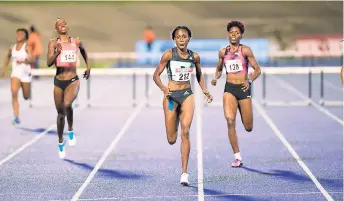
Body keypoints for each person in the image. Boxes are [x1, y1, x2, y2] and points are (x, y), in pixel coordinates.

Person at [153, 25, 213, 186]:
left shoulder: (194, 57)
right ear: (174, 39)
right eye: (178, 37)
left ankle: (184, 173)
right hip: (171, 98)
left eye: (184, 36)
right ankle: (175, 120)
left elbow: (199, 74)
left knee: (185, 131)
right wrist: (164, 88)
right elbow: (156, 75)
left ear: (188, 39)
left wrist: (205, 90)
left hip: (187, 95)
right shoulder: (168, 55)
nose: (181, 39)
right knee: (172, 139)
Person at [211, 20, 261, 168]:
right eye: (231, 32)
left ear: (241, 36)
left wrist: (250, 80)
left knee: (248, 127)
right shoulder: (223, 52)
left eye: (237, 33)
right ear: (228, 35)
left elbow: (257, 69)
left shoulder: (245, 51)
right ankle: (237, 157)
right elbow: (219, 69)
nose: (234, 35)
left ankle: (245, 113)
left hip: (244, 89)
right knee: (230, 120)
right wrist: (215, 77)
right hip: (230, 89)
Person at [47, 18, 90, 159]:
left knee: (67, 104)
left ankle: (70, 129)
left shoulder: (76, 41)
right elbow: (48, 62)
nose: (63, 25)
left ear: (67, 26)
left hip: (73, 80)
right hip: (58, 81)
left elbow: (83, 51)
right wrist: (57, 53)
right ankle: (60, 142)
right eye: (59, 24)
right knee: (60, 114)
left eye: (64, 23)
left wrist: (88, 66)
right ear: (56, 29)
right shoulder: (53, 43)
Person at [1, 28, 34, 125]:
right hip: (16, 72)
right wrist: (4, 69)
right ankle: (16, 115)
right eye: (17, 34)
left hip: (25, 73)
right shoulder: (12, 48)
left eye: (21, 34)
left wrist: (24, 61)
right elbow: (7, 57)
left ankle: (27, 92)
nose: (19, 36)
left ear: (25, 37)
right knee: (14, 92)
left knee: (26, 96)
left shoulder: (27, 47)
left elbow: (32, 60)